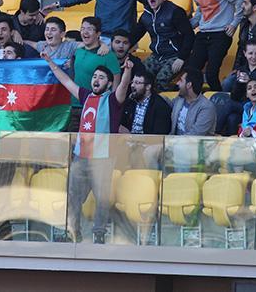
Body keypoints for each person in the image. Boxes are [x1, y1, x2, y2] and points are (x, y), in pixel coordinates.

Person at [42, 52, 133, 244]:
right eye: (94, 76)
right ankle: (72, 231)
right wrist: (50, 62)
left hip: (103, 158)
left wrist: (127, 71)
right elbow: (66, 81)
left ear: (109, 84)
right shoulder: (84, 95)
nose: (96, 80)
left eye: (101, 78)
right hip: (81, 155)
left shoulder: (112, 100)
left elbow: (124, 86)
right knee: (74, 195)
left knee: (101, 198)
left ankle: (99, 233)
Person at [186, 0, 244, 91]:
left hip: (220, 34)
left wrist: (234, 23)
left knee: (211, 73)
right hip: (203, 33)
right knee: (192, 71)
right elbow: (201, 10)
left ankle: (219, 98)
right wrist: (189, 25)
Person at [132, 0, 194, 91]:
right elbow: (135, 35)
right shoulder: (146, 15)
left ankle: (174, 96)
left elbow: (189, 35)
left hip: (175, 56)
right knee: (139, 76)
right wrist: (122, 47)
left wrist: (182, 58)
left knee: (161, 81)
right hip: (157, 55)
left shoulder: (175, 12)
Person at [69, 16, 121, 131]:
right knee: (73, 141)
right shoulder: (78, 51)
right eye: (82, 28)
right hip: (74, 106)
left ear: (98, 33)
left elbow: (116, 85)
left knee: (92, 141)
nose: (85, 32)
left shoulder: (108, 55)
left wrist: (111, 108)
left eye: (89, 29)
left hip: (96, 107)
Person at [217, 41, 256, 136]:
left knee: (229, 104)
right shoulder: (242, 69)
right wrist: (239, 83)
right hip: (243, 107)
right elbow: (234, 96)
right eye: (250, 53)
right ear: (245, 53)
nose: (253, 57)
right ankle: (230, 141)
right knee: (232, 118)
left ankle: (214, 132)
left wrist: (250, 81)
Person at [26, 16, 108, 62]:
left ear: (62, 34)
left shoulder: (69, 46)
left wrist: (103, 44)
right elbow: (28, 43)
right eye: (47, 29)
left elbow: (90, 43)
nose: (49, 33)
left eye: (53, 30)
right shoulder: (42, 45)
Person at [120, 70, 171, 135]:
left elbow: (160, 134)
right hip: (127, 139)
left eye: (137, 83)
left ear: (148, 87)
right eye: (132, 82)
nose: (132, 85)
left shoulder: (161, 106)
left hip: (148, 141)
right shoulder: (130, 102)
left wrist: (132, 136)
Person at [170, 67, 217, 137]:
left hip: (193, 143)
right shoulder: (180, 99)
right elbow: (164, 103)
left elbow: (194, 136)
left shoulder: (206, 108)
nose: (177, 83)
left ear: (189, 85)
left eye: (181, 81)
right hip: (173, 141)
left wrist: (171, 141)